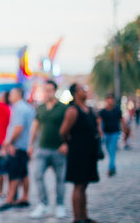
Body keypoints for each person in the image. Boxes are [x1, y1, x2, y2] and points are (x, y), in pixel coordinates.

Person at [59, 83, 100, 223]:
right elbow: (63, 131)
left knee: (84, 185)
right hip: (78, 153)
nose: (85, 91)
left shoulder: (88, 109)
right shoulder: (73, 110)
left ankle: (84, 216)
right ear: (75, 93)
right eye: (82, 89)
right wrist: (69, 143)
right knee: (79, 185)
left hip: (89, 152)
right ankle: (77, 218)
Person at [28, 80, 67, 219]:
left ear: (55, 90)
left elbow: (69, 128)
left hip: (59, 149)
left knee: (60, 179)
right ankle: (43, 204)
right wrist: (31, 145)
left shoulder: (63, 108)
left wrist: (66, 143)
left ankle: (60, 205)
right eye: (45, 90)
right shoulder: (41, 108)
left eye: (50, 90)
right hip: (42, 148)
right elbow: (35, 126)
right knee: (37, 175)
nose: (47, 92)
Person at [0, 87, 35, 212]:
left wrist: (9, 143)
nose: (9, 97)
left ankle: (10, 200)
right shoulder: (28, 107)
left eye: (11, 94)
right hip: (24, 146)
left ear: (18, 95)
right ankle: (25, 198)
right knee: (23, 173)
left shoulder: (18, 108)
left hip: (17, 147)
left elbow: (18, 128)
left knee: (14, 173)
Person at [98, 93, 127, 176]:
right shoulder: (103, 111)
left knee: (112, 150)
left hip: (115, 133)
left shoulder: (117, 110)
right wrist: (100, 131)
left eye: (111, 99)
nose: (110, 101)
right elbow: (99, 122)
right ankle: (113, 168)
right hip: (106, 133)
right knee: (110, 150)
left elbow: (122, 121)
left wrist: (124, 131)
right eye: (108, 99)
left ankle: (111, 168)